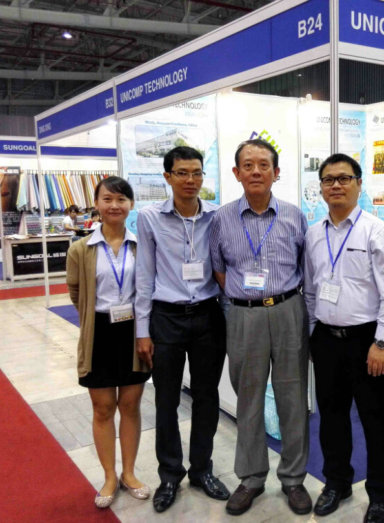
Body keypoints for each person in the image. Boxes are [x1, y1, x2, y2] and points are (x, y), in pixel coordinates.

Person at [209, 138, 312, 516]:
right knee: (248, 399)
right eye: (248, 165)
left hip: (288, 311)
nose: (256, 171)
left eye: (263, 165)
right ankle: (251, 478)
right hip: (244, 315)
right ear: (236, 173)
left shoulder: (294, 216)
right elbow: (219, 270)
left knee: (293, 397)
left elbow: (305, 266)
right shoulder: (221, 219)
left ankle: (294, 478)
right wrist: (244, 300)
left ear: (276, 172)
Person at [303, 154, 384, 523]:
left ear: (359, 184)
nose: (336, 185)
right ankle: (337, 483)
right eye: (328, 179)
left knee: (375, 419)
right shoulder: (313, 234)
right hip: (326, 339)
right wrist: (313, 333)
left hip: (368, 341)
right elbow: (311, 289)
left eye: (344, 178)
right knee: (331, 417)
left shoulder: (378, 232)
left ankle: (379, 493)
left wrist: (382, 342)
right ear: (320, 188)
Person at [135, 146, 229, 513]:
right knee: (166, 400)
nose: (191, 180)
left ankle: (202, 469)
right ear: (168, 177)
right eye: (182, 173)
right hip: (166, 317)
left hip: (207, 316)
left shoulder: (217, 216)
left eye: (197, 173)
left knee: (207, 397)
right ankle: (170, 475)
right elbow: (145, 275)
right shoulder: (150, 218)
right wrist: (142, 331)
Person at [66, 176, 151, 509]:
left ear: (131, 205)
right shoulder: (80, 249)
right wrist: (92, 319)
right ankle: (109, 476)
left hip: (133, 331)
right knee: (102, 408)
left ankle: (129, 473)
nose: (114, 205)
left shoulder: (142, 246)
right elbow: (76, 291)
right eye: (107, 199)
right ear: (97, 204)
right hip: (99, 333)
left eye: (121, 199)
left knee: (130, 405)